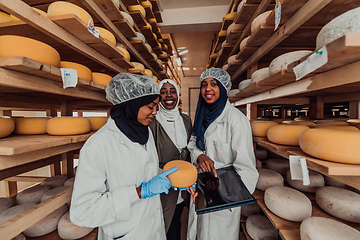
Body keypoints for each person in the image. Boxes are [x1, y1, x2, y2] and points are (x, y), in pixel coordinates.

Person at [70, 73, 178, 240]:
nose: (156, 112)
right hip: (126, 233)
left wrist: (173, 178)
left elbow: (144, 169)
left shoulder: (144, 132)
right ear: (132, 105)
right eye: (151, 106)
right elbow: (83, 212)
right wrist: (140, 192)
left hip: (154, 229)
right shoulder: (99, 145)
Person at [186, 68, 259, 240]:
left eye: (213, 84)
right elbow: (192, 143)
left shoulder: (236, 120)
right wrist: (199, 155)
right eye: (204, 85)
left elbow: (246, 168)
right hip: (201, 189)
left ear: (223, 88)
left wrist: (225, 196)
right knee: (199, 233)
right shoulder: (202, 115)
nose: (207, 89)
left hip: (224, 197)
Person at [149, 79, 192, 240]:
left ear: (178, 95)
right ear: (158, 96)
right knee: (160, 225)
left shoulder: (186, 120)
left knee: (176, 222)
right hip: (160, 186)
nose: (168, 95)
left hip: (182, 186)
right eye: (164, 91)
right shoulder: (152, 121)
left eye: (172, 91)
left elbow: (190, 149)